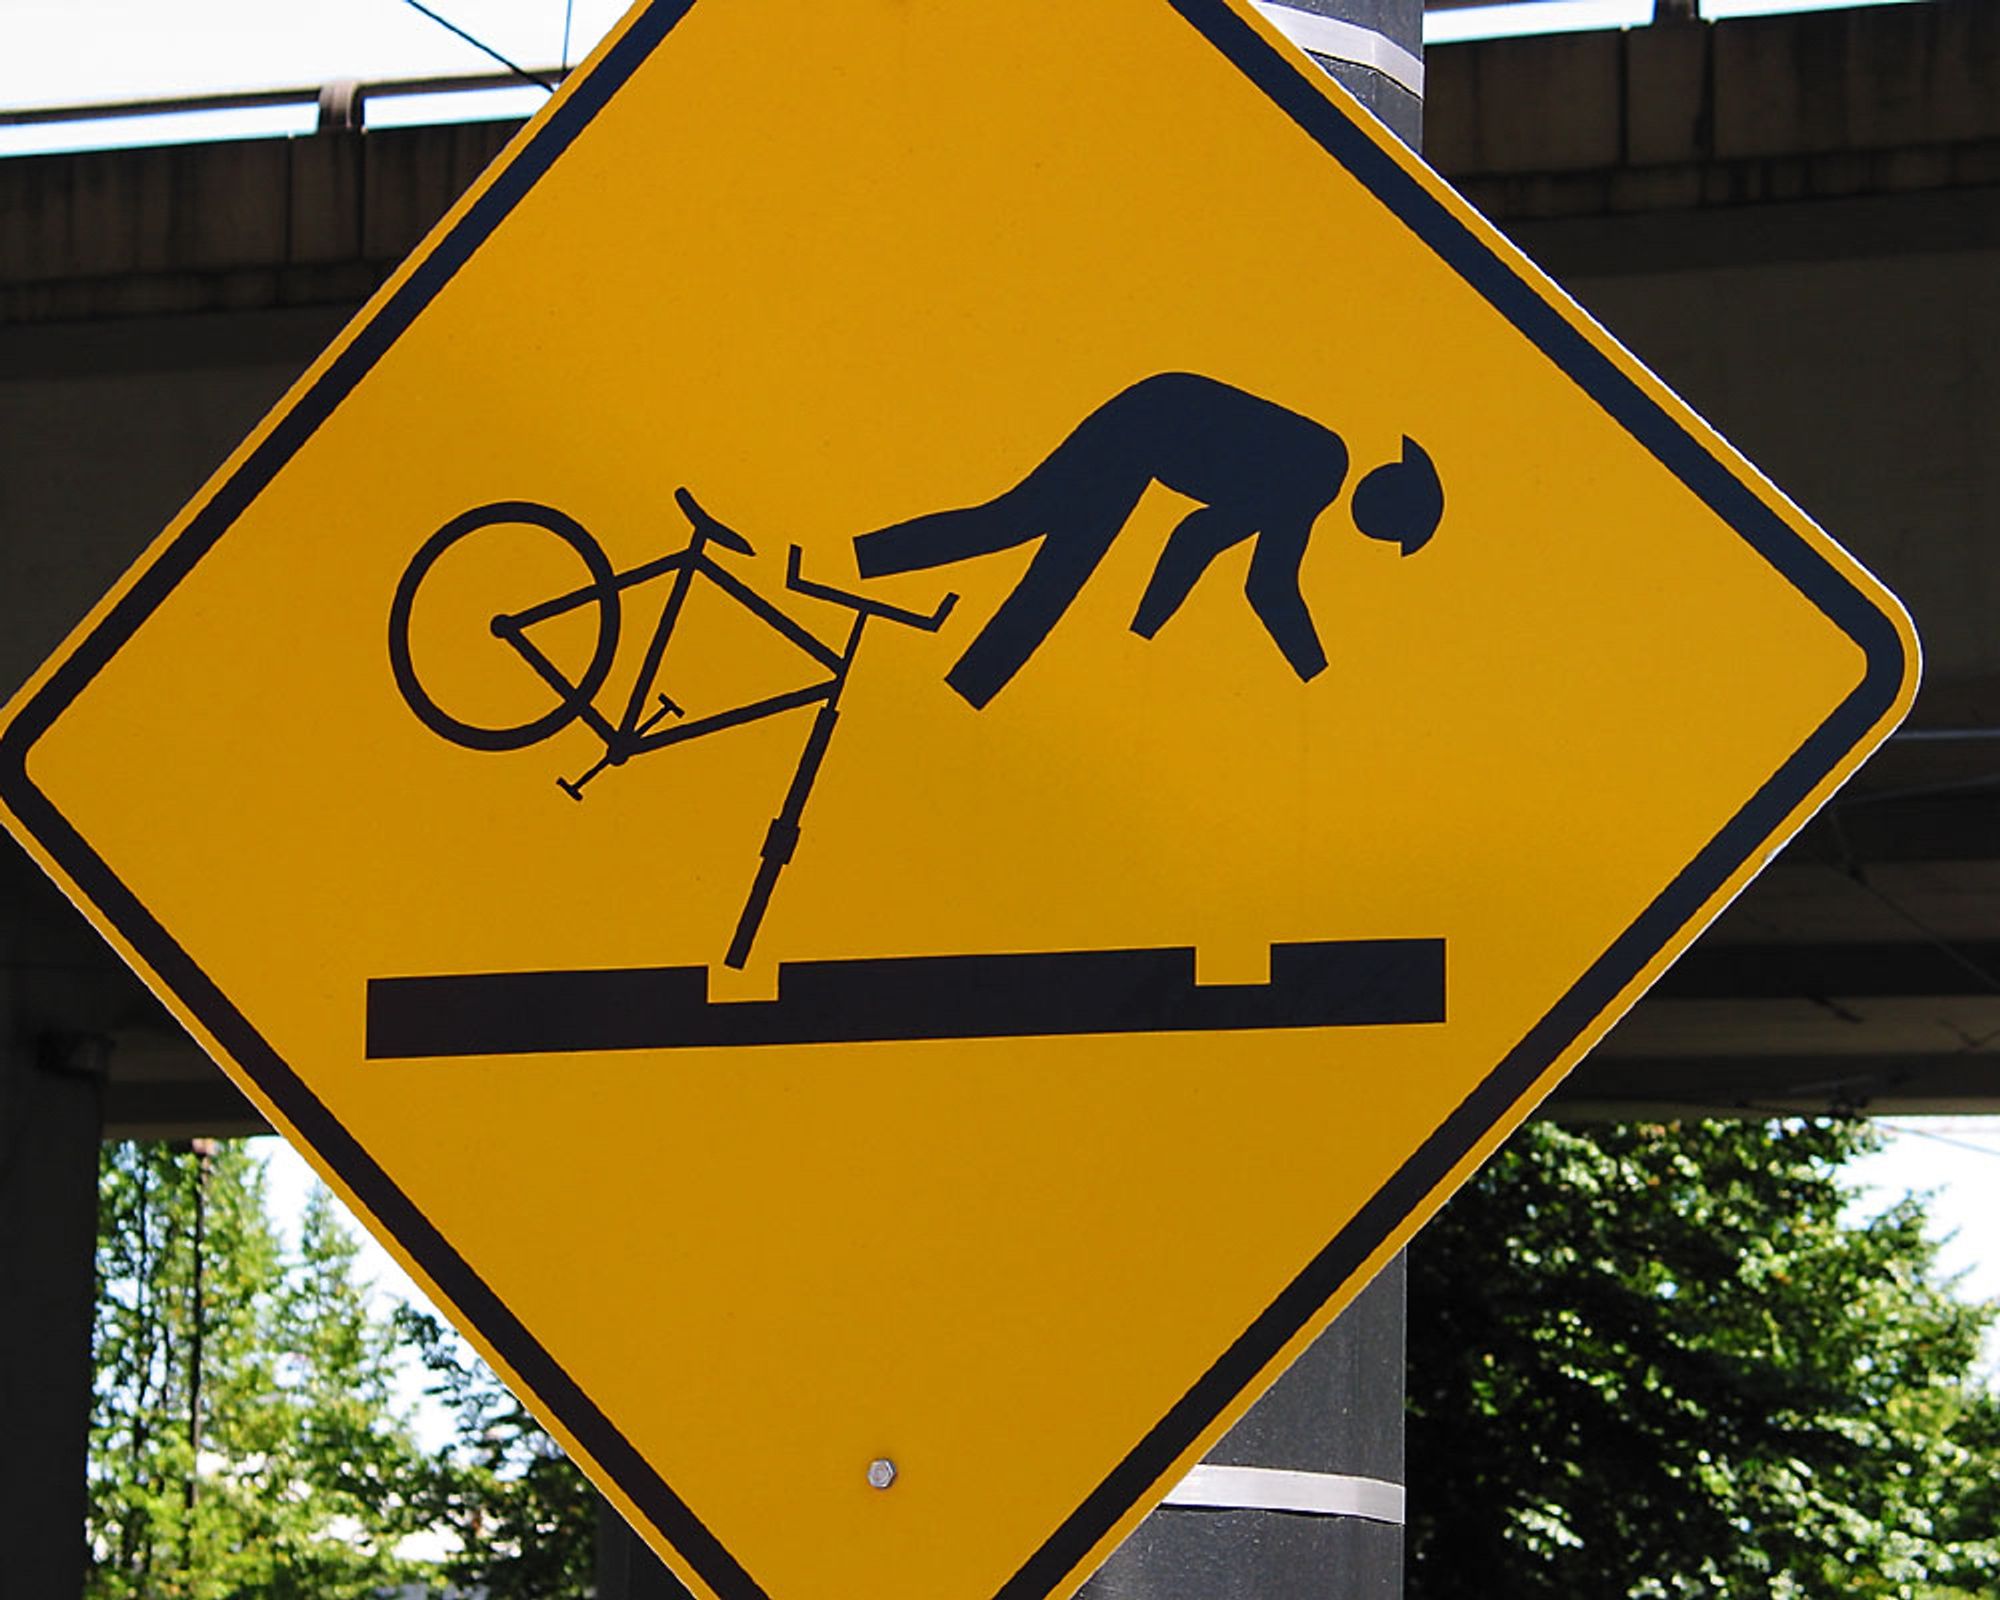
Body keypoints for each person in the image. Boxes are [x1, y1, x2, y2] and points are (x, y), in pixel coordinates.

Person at [852, 371, 1441, 707]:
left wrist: (1145, 630)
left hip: (1150, 430)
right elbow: (1266, 584)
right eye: (1396, 531)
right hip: (1147, 428)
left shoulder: (1316, 477)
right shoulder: (1319, 466)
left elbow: (1203, 538)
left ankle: (958, 682)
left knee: (1026, 534)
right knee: (1026, 534)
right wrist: (1321, 680)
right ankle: (859, 565)